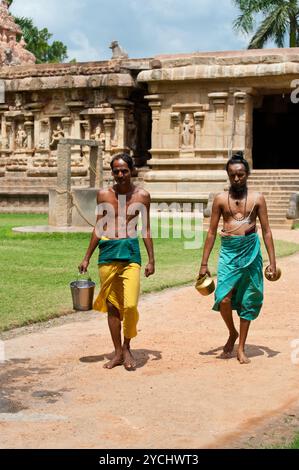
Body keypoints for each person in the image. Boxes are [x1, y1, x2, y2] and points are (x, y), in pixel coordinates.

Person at [198, 151, 277, 364]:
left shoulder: (257, 198)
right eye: (232, 175)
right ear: (228, 175)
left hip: (251, 250)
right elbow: (212, 232)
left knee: (248, 298)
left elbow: (267, 231)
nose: (236, 178)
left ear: (247, 174)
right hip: (229, 252)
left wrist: (272, 261)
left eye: (241, 174)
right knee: (223, 297)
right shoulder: (221, 200)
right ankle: (232, 332)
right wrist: (204, 263)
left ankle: (241, 346)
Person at [78, 153, 155, 370]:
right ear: (112, 172)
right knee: (113, 307)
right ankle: (118, 352)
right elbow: (99, 226)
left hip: (130, 253)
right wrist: (86, 257)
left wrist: (151, 259)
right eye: (116, 171)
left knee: (129, 305)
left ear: (132, 171)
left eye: (124, 170)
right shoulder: (103, 195)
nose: (120, 175)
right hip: (108, 253)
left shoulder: (142, 195)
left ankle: (127, 345)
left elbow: (146, 229)